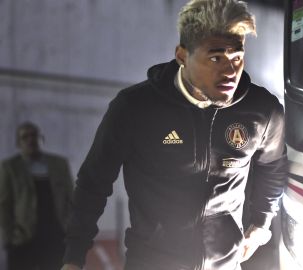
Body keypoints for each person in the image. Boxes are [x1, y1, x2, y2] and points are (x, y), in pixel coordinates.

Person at [61, 0, 287, 269]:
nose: (230, 71)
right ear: (182, 56)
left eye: (236, 58)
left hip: (225, 264)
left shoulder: (263, 110)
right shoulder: (135, 107)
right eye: (215, 58)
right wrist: (73, 258)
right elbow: (93, 183)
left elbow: (273, 166)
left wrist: (261, 222)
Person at [0, 121, 74, 270]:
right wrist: (10, 236)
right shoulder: (10, 167)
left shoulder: (59, 164)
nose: (30, 139)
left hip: (55, 236)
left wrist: (69, 227)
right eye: (24, 137)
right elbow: (3, 204)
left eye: (34, 135)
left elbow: (71, 197)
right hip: (22, 238)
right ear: (18, 143)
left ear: (41, 139)